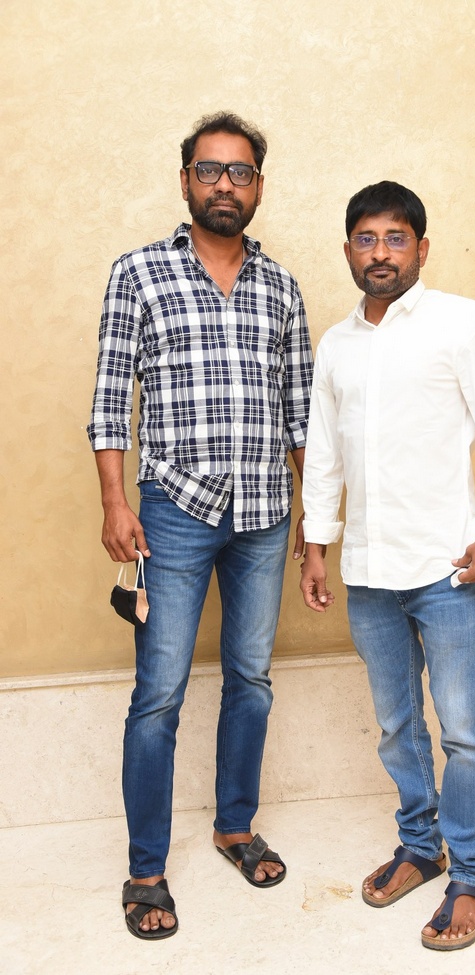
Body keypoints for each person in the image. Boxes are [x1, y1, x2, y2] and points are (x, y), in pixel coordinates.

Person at [88, 112, 313, 939]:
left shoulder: (282, 287)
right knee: (159, 694)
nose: (226, 184)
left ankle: (234, 826)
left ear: (259, 186)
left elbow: (300, 414)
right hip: (172, 513)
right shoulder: (138, 273)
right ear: (185, 179)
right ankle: (146, 869)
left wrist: (312, 521)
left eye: (240, 172)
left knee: (251, 678)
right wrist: (115, 502)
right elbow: (110, 396)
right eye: (211, 170)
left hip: (263, 514)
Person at [300, 181, 475, 951]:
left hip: (446, 565)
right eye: (367, 239)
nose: (381, 253)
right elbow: (325, 455)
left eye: (396, 238)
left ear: (422, 249)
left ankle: (471, 874)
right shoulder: (336, 346)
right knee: (398, 723)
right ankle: (420, 844)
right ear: (348, 250)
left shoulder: (462, 322)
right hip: (369, 572)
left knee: (463, 730)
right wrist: (317, 545)